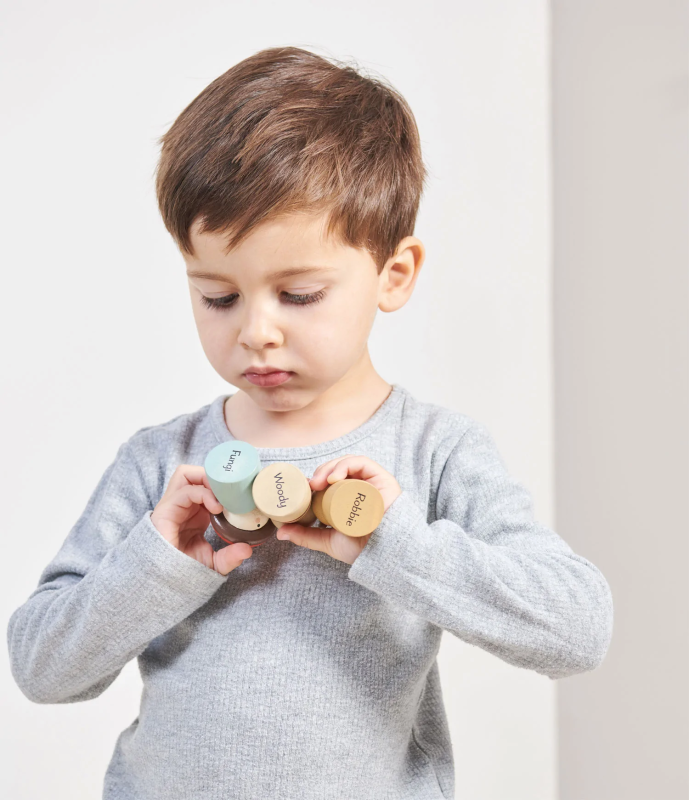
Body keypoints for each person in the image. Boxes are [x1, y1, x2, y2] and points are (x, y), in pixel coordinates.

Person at [6, 46, 613, 800]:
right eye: (218, 297)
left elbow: (576, 629)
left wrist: (394, 542)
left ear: (394, 274)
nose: (255, 332)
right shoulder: (162, 461)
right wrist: (158, 560)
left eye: (298, 295)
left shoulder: (434, 451)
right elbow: (41, 668)